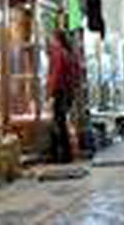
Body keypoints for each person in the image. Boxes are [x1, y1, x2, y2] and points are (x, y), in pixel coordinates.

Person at [47, 29, 74, 163]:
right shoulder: (66, 52)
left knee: (58, 122)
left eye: (52, 38)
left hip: (59, 91)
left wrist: (51, 92)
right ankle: (66, 154)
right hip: (65, 90)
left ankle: (61, 155)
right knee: (61, 122)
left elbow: (56, 73)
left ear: (56, 39)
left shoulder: (58, 53)